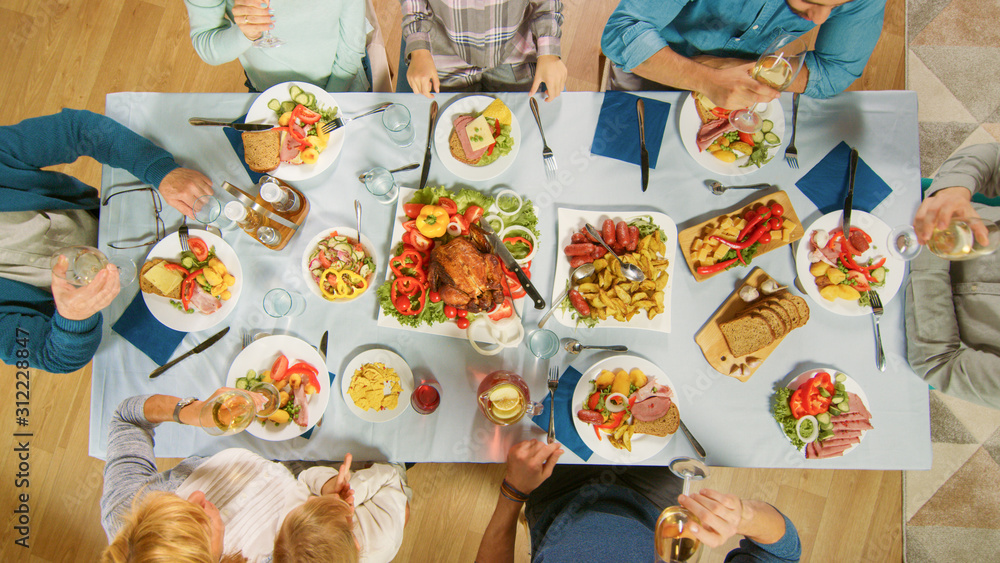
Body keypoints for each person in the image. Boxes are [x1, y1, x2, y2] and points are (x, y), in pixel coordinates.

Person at [0, 109, 213, 374]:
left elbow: (76, 130)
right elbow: (52, 357)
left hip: (121, 219)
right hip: (105, 311)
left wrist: (160, 171)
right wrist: (73, 320)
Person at [100, 389, 410, 563]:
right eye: (200, 520)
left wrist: (193, 411)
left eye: (175, 504)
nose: (197, 497)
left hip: (293, 477)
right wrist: (324, 505)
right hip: (310, 498)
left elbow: (126, 418)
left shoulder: (126, 509)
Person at [475, 440, 801, 561]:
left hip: (558, 502)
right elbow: (781, 552)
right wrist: (742, 516)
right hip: (659, 508)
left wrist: (514, 491)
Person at [600, 0, 886, 107]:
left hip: (735, 80)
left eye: (836, 6)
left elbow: (836, 71)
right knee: (624, 151)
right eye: (810, 1)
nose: (820, 18)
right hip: (649, 61)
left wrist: (723, 67)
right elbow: (621, 33)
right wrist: (705, 79)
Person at [905, 143, 1000, 410]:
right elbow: (993, 159)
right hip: (912, 215)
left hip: (901, 326)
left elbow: (938, 365)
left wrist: (931, 247)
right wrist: (953, 189)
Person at [184, 0, 369, 93]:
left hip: (343, 83)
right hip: (267, 93)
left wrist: (328, 101)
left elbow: (352, 41)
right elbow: (207, 43)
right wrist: (245, 34)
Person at [402, 0, 567, 101]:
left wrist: (549, 53)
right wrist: (419, 50)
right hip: (445, 54)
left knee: (522, 125)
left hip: (513, 53)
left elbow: (547, 3)